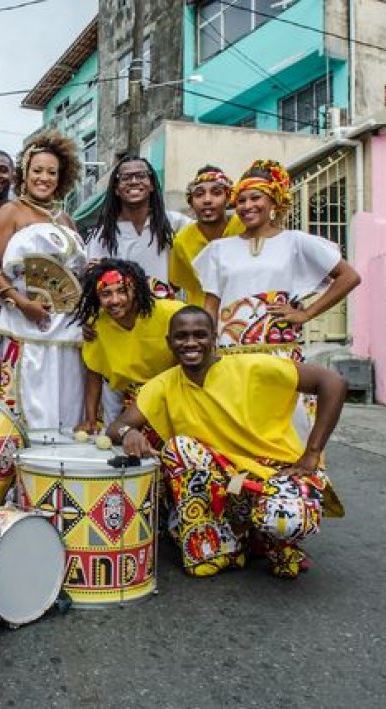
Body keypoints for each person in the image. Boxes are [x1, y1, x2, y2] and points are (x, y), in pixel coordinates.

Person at [109, 306, 347, 579]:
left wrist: (312, 452)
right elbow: (115, 427)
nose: (190, 343)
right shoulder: (163, 384)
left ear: (214, 338)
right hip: (228, 483)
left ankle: (272, 541)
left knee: (287, 518)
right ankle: (221, 545)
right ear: (169, 342)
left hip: (275, 473)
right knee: (179, 448)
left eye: (199, 335)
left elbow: (333, 382)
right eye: (181, 336)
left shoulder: (251, 366)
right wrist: (129, 432)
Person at [195, 159, 361, 437]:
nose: (247, 206)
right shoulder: (219, 250)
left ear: (275, 202)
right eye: (242, 200)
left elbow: (349, 276)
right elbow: (211, 305)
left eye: (256, 198)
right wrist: (207, 349)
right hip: (230, 357)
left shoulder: (295, 242)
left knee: (288, 428)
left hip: (280, 355)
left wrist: (305, 314)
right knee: (238, 429)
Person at [0, 130, 87, 433]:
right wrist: (24, 304)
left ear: (62, 177)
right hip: (23, 326)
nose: (44, 178)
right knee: (30, 407)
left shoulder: (65, 219)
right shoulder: (11, 211)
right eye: (37, 170)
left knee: (67, 404)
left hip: (67, 330)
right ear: (24, 174)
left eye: (52, 172)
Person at [73, 259, 184, 433]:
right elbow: (94, 371)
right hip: (126, 402)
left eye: (122, 291)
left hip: (172, 395)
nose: (115, 300)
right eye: (106, 294)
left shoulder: (171, 313)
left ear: (136, 290)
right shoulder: (96, 323)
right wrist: (91, 420)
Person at [86, 155, 189, 299]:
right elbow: (96, 280)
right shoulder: (104, 234)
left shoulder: (175, 223)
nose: (134, 181)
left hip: (164, 314)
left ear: (152, 184)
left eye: (141, 175)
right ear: (116, 188)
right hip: (120, 316)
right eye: (126, 178)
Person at [169, 165, 245, 308]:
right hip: (203, 319)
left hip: (244, 313)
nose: (207, 200)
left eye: (216, 193)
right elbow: (175, 284)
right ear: (190, 202)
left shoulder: (244, 227)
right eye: (199, 194)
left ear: (228, 198)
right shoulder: (181, 241)